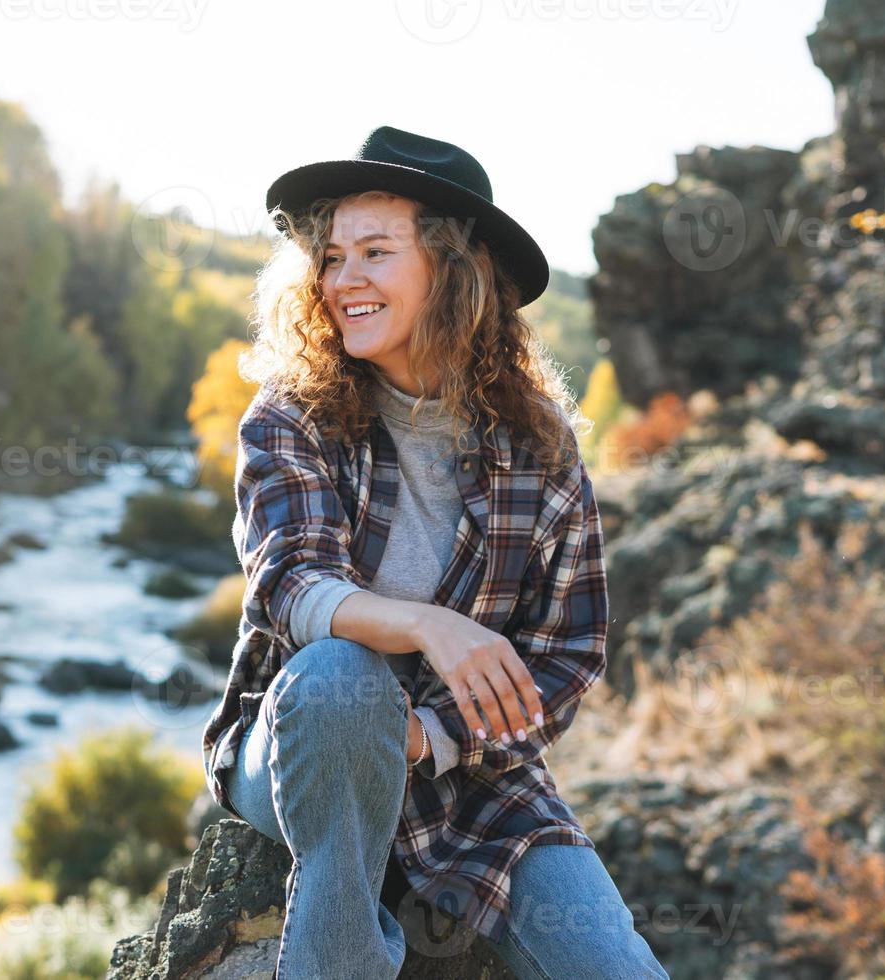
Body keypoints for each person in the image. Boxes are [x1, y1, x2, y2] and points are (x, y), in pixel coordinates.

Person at [200, 126, 671, 980]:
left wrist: (429, 737)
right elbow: (293, 587)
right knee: (341, 674)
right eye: (333, 257)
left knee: (618, 968)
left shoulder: (541, 445)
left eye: (375, 253)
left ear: (453, 272)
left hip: (474, 784)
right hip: (308, 746)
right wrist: (428, 627)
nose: (344, 281)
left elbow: (568, 650)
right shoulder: (290, 415)